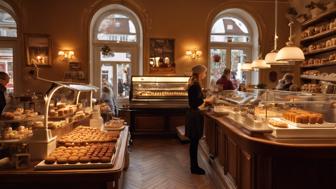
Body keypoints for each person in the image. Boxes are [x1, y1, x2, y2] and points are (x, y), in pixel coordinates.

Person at [185, 64, 208, 175]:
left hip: (193, 115)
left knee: (194, 142)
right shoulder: (195, 85)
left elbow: (195, 100)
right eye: (204, 72)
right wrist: (207, 101)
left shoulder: (195, 84)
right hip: (194, 116)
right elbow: (194, 103)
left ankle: (194, 166)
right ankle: (194, 167)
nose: (205, 74)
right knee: (194, 142)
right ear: (200, 73)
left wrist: (203, 99)